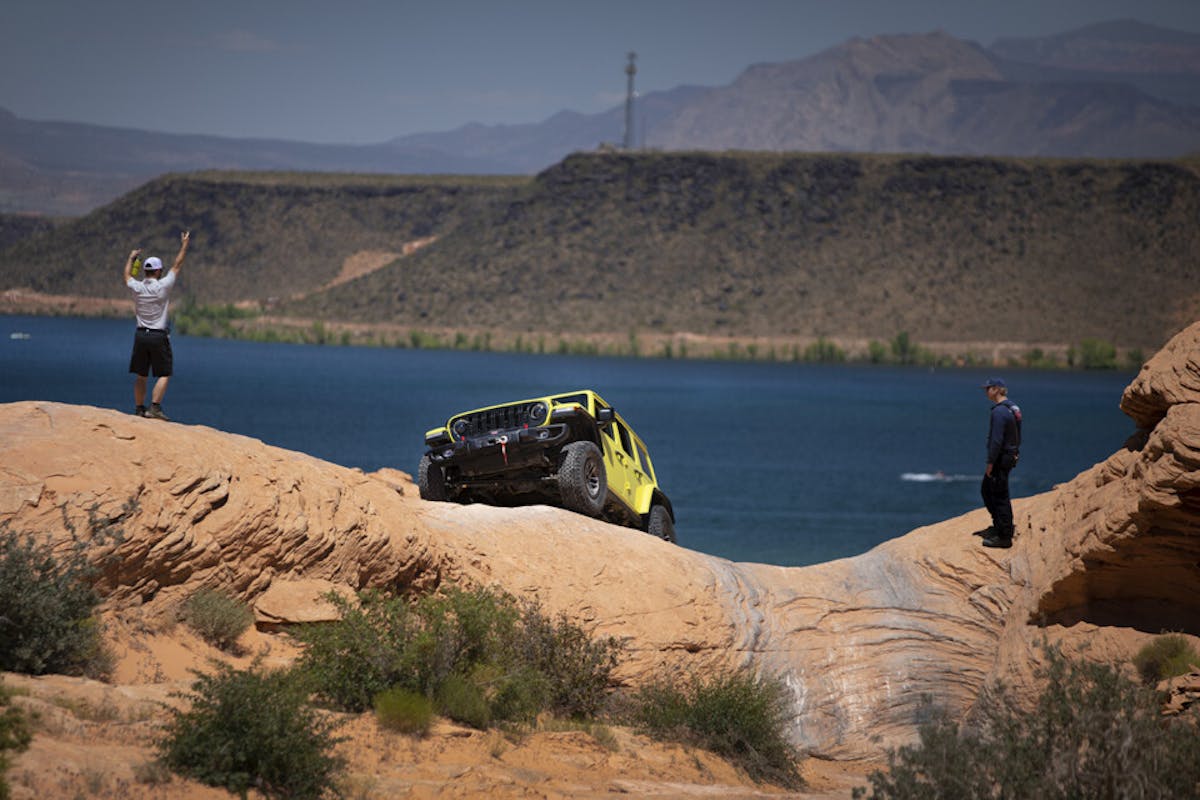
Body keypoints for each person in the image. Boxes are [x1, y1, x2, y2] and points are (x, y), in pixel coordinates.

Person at [124, 231, 190, 419]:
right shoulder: (163, 286)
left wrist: (131, 258)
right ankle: (154, 407)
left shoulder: (137, 287)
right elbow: (177, 265)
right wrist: (184, 245)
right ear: (159, 271)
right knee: (164, 373)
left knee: (141, 375)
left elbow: (127, 276)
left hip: (140, 335)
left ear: (145, 271)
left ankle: (139, 408)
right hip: (158, 336)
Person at [979, 377, 1022, 548]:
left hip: (1000, 457)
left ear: (996, 389)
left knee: (998, 495)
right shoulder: (1013, 408)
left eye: (988, 388)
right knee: (989, 490)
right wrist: (1016, 451)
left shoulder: (998, 412)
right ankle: (1000, 526)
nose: (986, 391)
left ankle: (1004, 536)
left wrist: (990, 462)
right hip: (1009, 455)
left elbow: (996, 441)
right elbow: (1017, 433)